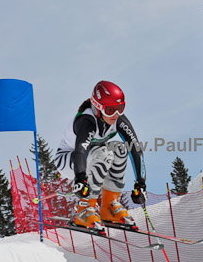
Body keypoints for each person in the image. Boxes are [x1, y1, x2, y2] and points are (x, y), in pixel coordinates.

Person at [54, 80, 147, 232]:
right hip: (69, 160)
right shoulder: (87, 120)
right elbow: (80, 151)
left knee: (121, 149)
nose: (116, 115)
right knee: (103, 153)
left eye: (120, 108)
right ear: (97, 108)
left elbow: (135, 149)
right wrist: (80, 179)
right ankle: (84, 209)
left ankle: (109, 205)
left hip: (92, 157)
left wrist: (141, 183)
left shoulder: (118, 120)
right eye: (110, 110)